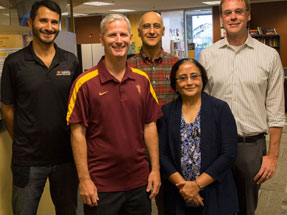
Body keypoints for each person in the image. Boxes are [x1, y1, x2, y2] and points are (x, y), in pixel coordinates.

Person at [66, 14, 162, 215]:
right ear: (101, 39)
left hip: (139, 182)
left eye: (123, 35)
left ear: (130, 39)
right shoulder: (84, 83)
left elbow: (149, 126)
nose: (118, 40)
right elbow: (77, 134)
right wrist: (84, 180)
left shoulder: (142, 81)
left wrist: (155, 170)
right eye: (112, 35)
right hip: (101, 185)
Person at [199, 0, 286, 214]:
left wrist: (272, 155)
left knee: (247, 206)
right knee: (215, 204)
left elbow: (276, 109)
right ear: (222, 18)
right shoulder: (207, 55)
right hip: (216, 146)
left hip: (250, 146)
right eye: (228, 13)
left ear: (248, 15)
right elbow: (202, 107)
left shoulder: (269, 56)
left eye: (238, 11)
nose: (233, 17)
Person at [1, 1, 81, 215]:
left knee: (68, 211)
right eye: (43, 20)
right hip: (27, 160)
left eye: (54, 22)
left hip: (65, 156)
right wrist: (21, 138)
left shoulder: (71, 62)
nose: (49, 27)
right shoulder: (14, 63)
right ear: (31, 22)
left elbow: (78, 107)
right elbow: (7, 107)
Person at [158, 58, 238, 215]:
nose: (189, 82)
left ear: (203, 79)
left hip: (215, 191)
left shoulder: (220, 109)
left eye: (194, 76)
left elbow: (228, 154)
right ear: (175, 83)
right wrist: (185, 187)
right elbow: (162, 155)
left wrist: (196, 185)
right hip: (178, 193)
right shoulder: (166, 112)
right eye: (182, 78)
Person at [128, 11, 179, 106]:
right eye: (146, 26)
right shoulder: (128, 66)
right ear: (139, 32)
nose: (152, 31)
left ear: (163, 31)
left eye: (156, 26)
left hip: (170, 121)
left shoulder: (176, 64)